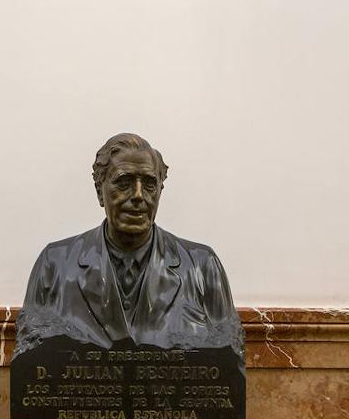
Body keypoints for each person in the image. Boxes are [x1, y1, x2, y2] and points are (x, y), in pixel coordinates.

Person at [13, 133, 242, 357]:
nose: (139, 195)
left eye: (150, 184)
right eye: (124, 183)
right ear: (100, 191)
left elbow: (227, 358)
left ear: (160, 191)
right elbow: (31, 359)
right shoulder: (55, 265)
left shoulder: (203, 266)